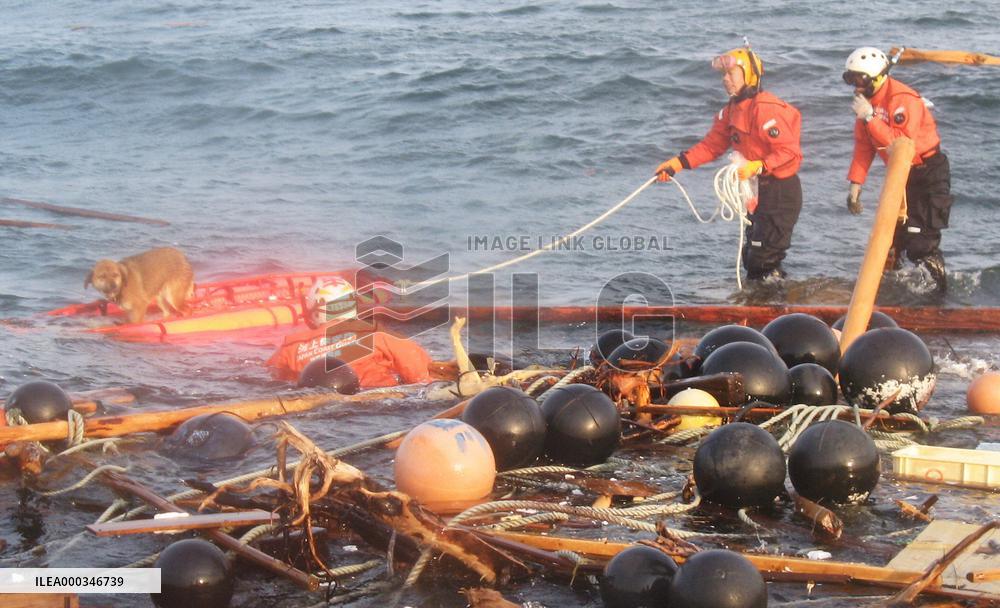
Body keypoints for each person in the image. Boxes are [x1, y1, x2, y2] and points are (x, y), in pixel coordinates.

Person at [656, 47, 803, 281]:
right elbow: (711, 146)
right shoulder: (731, 112)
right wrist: (677, 164)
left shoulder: (766, 109)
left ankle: (775, 297)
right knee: (751, 256)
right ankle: (767, 295)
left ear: (749, 75)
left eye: (731, 74)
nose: (725, 79)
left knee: (763, 257)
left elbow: (790, 151)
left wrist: (759, 165)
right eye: (723, 74)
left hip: (780, 192)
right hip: (756, 191)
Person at [842, 46, 952, 293]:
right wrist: (855, 185)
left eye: (860, 79)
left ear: (876, 77)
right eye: (850, 79)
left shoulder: (903, 100)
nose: (855, 86)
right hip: (899, 176)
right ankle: (892, 295)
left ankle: (937, 296)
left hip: (926, 173)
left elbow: (903, 146)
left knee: (920, 243)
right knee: (890, 243)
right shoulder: (867, 104)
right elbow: (864, 146)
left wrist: (871, 118)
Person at [267, 276, 433, 387]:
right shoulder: (379, 336)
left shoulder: (290, 348)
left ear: (315, 310)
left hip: (314, 403)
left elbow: (271, 378)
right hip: (374, 402)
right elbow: (424, 378)